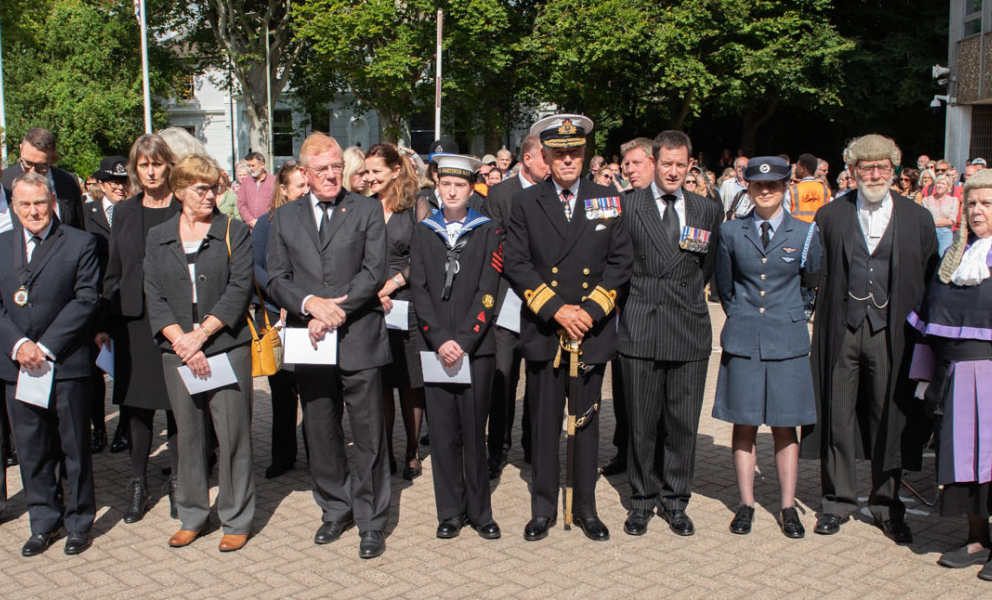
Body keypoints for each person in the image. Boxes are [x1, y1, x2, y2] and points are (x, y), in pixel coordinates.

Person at [801, 134, 939, 544]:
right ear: (853, 171)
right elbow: (812, 269)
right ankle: (838, 500)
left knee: (889, 419)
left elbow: (931, 278)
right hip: (842, 328)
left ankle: (886, 504)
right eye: (866, 167)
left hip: (893, 333)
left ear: (894, 171)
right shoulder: (831, 215)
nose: (874, 174)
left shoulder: (917, 218)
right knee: (837, 415)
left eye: (882, 167)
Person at [503, 114, 633, 543]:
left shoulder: (607, 198)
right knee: (543, 424)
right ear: (544, 155)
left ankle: (585, 508)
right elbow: (517, 264)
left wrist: (588, 313)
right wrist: (558, 310)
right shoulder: (525, 202)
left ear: (585, 155)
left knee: (587, 424)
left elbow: (619, 264)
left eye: (575, 152)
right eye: (559, 153)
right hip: (545, 329)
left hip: (589, 332)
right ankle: (542, 508)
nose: (567, 160)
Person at [266, 132, 392, 559]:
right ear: (303, 172)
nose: (333, 175)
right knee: (320, 429)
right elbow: (275, 277)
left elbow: (374, 271)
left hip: (359, 336)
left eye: (338, 166)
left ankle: (371, 519)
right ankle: (335, 509)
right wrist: (309, 306)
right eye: (322, 169)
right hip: (310, 341)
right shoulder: (284, 218)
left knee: (369, 432)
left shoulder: (367, 209)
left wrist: (335, 312)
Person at [144, 154, 255, 553]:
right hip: (177, 350)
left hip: (225, 346)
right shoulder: (158, 236)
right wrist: (182, 342)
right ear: (179, 191)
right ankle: (192, 514)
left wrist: (201, 335)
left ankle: (236, 516)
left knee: (233, 434)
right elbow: (153, 296)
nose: (211, 195)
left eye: (214, 188)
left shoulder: (234, 230)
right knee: (187, 434)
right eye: (201, 189)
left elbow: (239, 289)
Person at [617, 130, 723, 537]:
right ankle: (642, 500)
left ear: (689, 166)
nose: (674, 171)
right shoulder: (629, 206)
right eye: (667, 164)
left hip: (688, 326)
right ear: (654, 163)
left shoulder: (706, 209)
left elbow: (706, 267)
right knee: (642, 424)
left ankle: (676, 501)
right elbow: (619, 267)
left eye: (682, 165)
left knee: (682, 424)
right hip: (642, 323)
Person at [712, 157, 821, 538]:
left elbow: (811, 281)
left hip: (787, 338)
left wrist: (786, 313)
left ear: (786, 187)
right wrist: (745, 316)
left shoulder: (805, 232)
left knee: (784, 426)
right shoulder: (729, 232)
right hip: (744, 336)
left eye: (774, 184)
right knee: (743, 423)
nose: (766, 191)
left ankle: (788, 507)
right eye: (758, 186)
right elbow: (724, 287)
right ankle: (745, 504)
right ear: (748, 188)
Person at [1, 171, 100, 556]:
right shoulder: (1, 245)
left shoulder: (80, 242)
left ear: (53, 202)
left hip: (66, 364)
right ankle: (43, 522)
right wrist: (20, 345)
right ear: (13, 207)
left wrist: (46, 346)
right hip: (18, 367)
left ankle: (78, 521)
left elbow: (87, 298)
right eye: (24, 204)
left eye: (39, 203)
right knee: (32, 448)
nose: (33, 211)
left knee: (73, 447)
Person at [410, 153, 503, 540]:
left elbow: (488, 292)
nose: (451, 191)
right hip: (436, 348)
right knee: (444, 433)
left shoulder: (488, 230)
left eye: (460, 185)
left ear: (471, 189)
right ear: (437, 186)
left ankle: (480, 511)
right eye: (445, 185)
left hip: (475, 349)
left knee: (472, 431)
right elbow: (419, 290)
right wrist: (439, 338)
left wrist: (463, 340)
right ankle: (449, 511)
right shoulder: (423, 230)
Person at [908, 169, 992, 580]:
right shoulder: (953, 259)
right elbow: (929, 320)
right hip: (954, 375)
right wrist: (924, 380)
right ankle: (977, 539)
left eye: (987, 204)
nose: (977, 211)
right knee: (963, 462)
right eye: (972, 203)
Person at [98, 134, 181, 524]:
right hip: (132, 320)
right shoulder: (125, 212)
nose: (150, 171)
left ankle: (182, 482)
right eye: (143, 164)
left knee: (179, 405)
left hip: (177, 321)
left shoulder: (183, 208)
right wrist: (105, 321)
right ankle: (137, 481)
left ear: (169, 165)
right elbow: (115, 269)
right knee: (136, 406)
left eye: (157, 163)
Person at [482, 134, 549, 478]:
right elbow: (495, 243)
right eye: (545, 156)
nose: (552, 162)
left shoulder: (553, 191)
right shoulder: (500, 193)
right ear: (526, 159)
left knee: (538, 374)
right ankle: (497, 448)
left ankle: (533, 445)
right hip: (509, 298)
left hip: (545, 301)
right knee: (503, 375)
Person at [365, 142, 429, 480]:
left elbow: (426, 256)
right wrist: (371, 291)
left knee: (408, 382)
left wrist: (392, 285)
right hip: (371, 305)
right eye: (367, 172)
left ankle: (412, 452)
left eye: (377, 172)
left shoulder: (417, 206)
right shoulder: (362, 207)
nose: (370, 178)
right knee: (381, 382)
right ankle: (386, 451)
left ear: (395, 171)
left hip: (407, 302)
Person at [601, 136, 656, 477]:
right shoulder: (616, 203)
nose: (629, 170)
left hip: (660, 308)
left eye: (636, 163)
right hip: (623, 308)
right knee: (622, 386)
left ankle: (652, 455)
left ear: (653, 162)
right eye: (626, 165)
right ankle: (624, 449)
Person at [253, 161, 308, 479]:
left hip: (308, 317)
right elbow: (255, 267)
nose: (305, 191)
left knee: (314, 391)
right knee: (282, 391)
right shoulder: (266, 223)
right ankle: (283, 456)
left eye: (307, 185)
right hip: (275, 318)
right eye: (299, 186)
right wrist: (282, 296)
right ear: (283, 189)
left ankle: (318, 454)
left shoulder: (318, 222)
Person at [83, 156, 130, 454]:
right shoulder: (86, 213)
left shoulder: (133, 212)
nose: (120, 187)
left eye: (124, 181)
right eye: (113, 182)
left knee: (126, 366)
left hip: (124, 304)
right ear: (100, 185)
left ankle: (124, 427)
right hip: (94, 302)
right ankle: (98, 427)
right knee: (93, 373)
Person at [1, 127, 83, 229]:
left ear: (54, 159)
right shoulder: (4, 182)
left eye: (41, 166)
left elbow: (78, 227)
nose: (32, 171)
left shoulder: (68, 181)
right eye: (27, 163)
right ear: (20, 149)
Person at [784, 153, 831, 223]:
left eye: (797, 167)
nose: (795, 169)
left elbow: (786, 216)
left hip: (797, 231)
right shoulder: (825, 190)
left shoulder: (792, 190)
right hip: (819, 231)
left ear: (803, 169)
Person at [924, 174, 960, 255]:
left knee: (942, 256)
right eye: (938, 183)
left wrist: (932, 223)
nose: (940, 185)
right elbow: (924, 219)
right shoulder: (926, 200)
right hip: (930, 233)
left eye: (943, 183)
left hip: (945, 234)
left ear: (948, 186)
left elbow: (952, 221)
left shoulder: (953, 201)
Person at [237, 152, 275, 228]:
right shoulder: (245, 182)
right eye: (249, 166)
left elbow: (278, 203)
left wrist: (262, 221)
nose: (251, 168)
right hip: (250, 227)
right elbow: (241, 204)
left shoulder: (274, 181)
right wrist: (250, 220)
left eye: (253, 166)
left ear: (262, 165)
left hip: (269, 226)